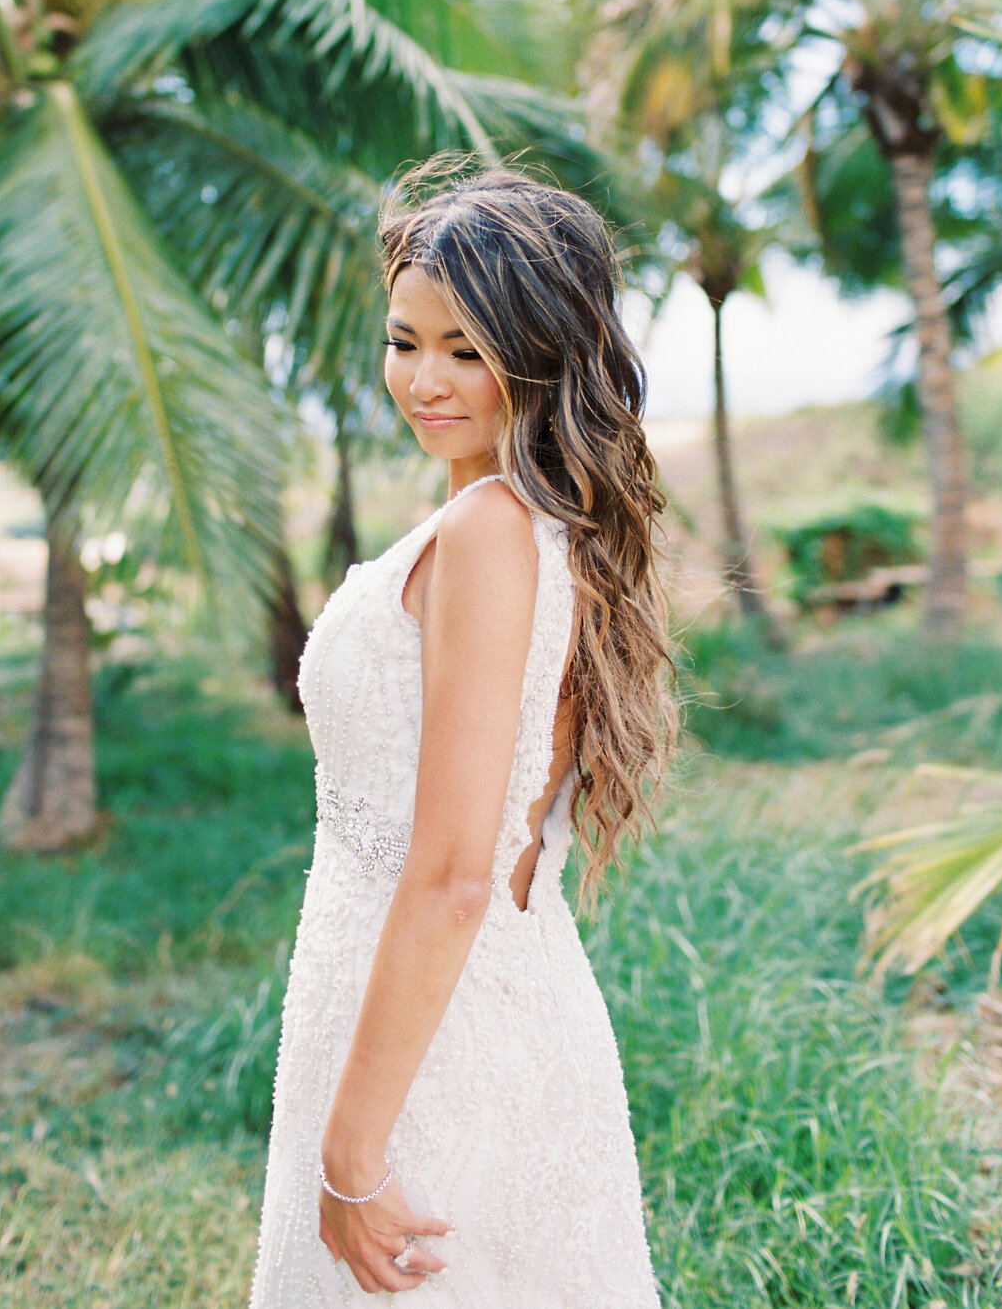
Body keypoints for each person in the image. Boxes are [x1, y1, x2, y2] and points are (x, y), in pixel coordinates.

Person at [247, 164, 678, 1307]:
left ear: (538, 356)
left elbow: (453, 872)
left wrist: (354, 1153)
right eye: (405, 341)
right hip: (436, 1001)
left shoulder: (493, 531)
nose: (424, 380)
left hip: (436, 1042)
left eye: (467, 350)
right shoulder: (531, 522)